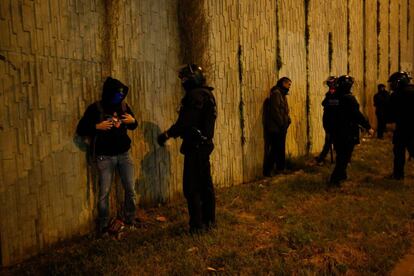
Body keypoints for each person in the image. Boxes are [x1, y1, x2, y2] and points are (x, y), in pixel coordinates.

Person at [157, 64, 217, 234]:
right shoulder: (207, 94)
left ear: (191, 79)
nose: (182, 82)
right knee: (205, 185)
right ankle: (209, 221)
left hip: (195, 147)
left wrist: (167, 134)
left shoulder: (195, 96)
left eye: (184, 79)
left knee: (192, 188)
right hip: (204, 146)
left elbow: (185, 123)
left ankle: (197, 226)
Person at [76, 77, 138, 235]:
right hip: (105, 157)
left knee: (130, 189)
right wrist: (97, 126)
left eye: (121, 95)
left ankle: (130, 219)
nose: (120, 98)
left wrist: (133, 121)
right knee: (104, 193)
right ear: (109, 93)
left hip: (124, 155)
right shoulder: (96, 108)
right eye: (117, 95)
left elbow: (134, 125)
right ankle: (103, 226)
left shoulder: (123, 106)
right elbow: (81, 129)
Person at [328, 75, 374, 186]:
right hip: (347, 131)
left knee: (340, 154)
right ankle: (335, 179)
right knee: (344, 156)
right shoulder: (349, 98)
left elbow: (328, 114)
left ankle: (342, 175)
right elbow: (357, 115)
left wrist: (329, 129)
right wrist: (368, 127)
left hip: (336, 131)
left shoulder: (333, 97)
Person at [387, 71, 414, 180]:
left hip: (402, 128)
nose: (392, 85)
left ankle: (398, 175)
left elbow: (391, 114)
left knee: (399, 152)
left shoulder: (396, 95)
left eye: (393, 83)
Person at [263, 77, 292, 177]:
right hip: (276, 128)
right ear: (283, 83)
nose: (289, 87)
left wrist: (288, 120)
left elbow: (284, 111)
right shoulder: (276, 94)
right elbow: (275, 111)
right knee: (275, 149)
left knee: (280, 149)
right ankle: (268, 170)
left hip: (281, 127)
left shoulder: (282, 94)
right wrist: (282, 123)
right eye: (288, 85)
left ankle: (280, 168)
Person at [315, 76, 337, 164]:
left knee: (334, 142)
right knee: (328, 140)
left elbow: (338, 103)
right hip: (328, 120)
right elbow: (324, 103)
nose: (330, 85)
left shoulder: (339, 93)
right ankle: (321, 158)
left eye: (332, 83)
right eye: (329, 84)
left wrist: (330, 101)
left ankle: (322, 158)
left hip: (335, 120)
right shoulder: (329, 93)